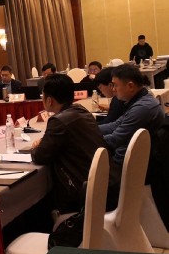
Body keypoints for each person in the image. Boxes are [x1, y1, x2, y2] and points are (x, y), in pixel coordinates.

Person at [31, 74, 120, 213]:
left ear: (49, 100)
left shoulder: (59, 121)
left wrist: (36, 147)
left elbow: (40, 156)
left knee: (38, 206)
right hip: (109, 185)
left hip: (88, 194)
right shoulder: (81, 110)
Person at [98, 64, 164, 165]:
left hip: (127, 164)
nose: (113, 89)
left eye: (115, 85)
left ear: (130, 86)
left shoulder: (142, 108)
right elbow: (115, 125)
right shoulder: (139, 100)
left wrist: (85, 140)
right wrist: (89, 129)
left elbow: (115, 139)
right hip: (128, 157)